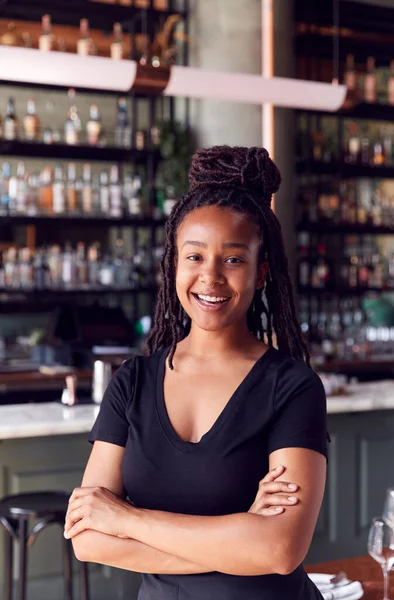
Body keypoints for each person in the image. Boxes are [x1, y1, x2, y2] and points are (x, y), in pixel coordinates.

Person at [65, 145, 327, 600]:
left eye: (233, 259)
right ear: (173, 264)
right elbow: (87, 539)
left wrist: (127, 520)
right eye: (194, 257)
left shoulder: (292, 387)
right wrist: (241, 539)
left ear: (261, 273)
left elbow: (282, 550)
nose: (211, 277)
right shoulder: (132, 383)